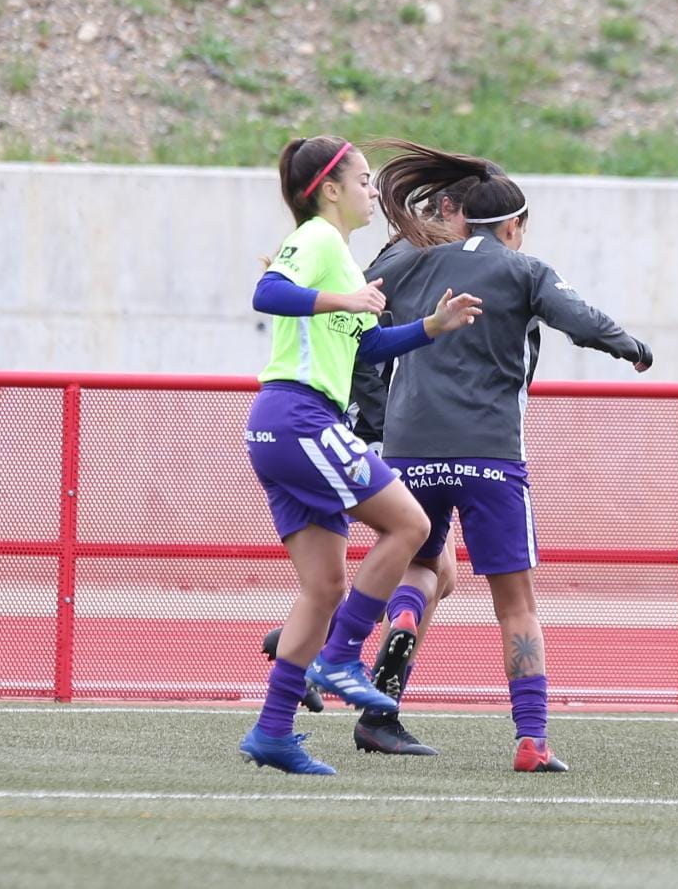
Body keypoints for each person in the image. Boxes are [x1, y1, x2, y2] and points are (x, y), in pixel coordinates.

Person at [355, 139, 654, 772]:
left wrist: (368, 423)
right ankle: (531, 739)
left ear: (457, 215)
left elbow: (358, 326)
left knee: (424, 572)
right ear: (512, 225)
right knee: (515, 602)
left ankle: (379, 701)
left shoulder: (410, 263)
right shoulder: (524, 269)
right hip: (490, 454)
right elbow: (582, 319)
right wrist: (629, 345)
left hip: (411, 450)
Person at [241, 135, 482, 775]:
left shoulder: (341, 258)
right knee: (410, 525)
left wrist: (431, 327)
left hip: (285, 423)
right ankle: (342, 656)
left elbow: (367, 350)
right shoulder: (318, 237)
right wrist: (346, 300)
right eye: (365, 180)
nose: (374, 190)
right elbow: (267, 292)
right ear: (330, 189)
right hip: (299, 415)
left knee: (322, 587)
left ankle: (272, 731)